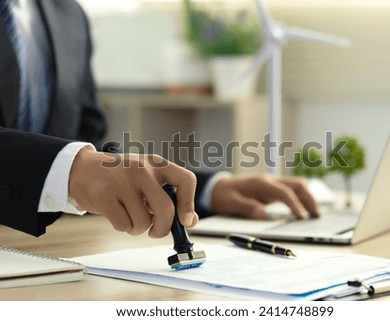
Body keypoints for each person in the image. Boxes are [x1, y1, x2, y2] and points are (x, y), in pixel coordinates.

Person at [0, 0, 318, 238]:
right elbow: (73, 165)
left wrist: (207, 190)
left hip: (47, 261)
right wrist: (73, 169)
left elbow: (84, 152)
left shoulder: (67, 14)